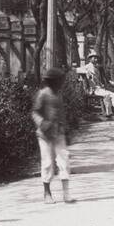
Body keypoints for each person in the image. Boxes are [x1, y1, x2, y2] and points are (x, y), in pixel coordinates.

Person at [32, 68, 71, 203]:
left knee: (64, 160)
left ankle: (66, 193)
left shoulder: (58, 95)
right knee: (47, 162)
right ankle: (47, 193)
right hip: (45, 134)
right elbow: (35, 112)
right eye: (60, 81)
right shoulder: (42, 94)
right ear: (52, 82)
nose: (61, 84)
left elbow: (62, 113)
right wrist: (43, 123)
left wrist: (66, 129)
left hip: (59, 132)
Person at [80, 51, 114, 118]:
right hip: (93, 89)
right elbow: (77, 70)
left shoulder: (96, 68)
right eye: (94, 58)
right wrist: (86, 72)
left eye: (96, 58)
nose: (96, 59)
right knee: (107, 95)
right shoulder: (87, 67)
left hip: (99, 88)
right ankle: (108, 113)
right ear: (90, 59)